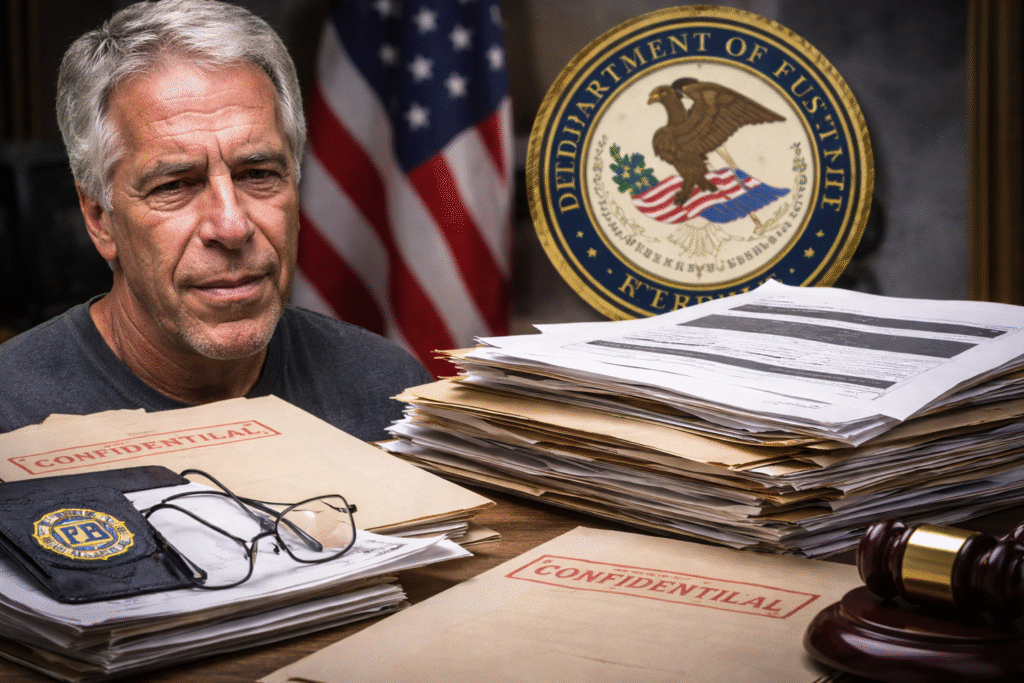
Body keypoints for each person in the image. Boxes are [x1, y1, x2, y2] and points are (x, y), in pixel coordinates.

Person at [0, 0, 433, 440]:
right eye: (174, 185)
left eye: (258, 175)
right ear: (99, 218)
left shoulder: (389, 394)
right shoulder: (10, 412)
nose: (231, 226)